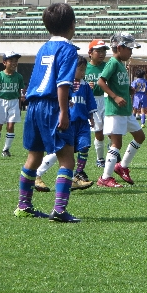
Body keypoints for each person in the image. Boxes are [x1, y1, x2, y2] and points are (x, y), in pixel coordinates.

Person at [15, 3, 79, 222]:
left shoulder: (44, 48)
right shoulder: (69, 49)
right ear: (72, 24)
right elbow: (62, 83)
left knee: (34, 156)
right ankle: (60, 211)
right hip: (52, 105)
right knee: (67, 159)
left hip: (33, 106)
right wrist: (64, 112)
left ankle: (23, 205)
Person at [34, 56, 96, 192]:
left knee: (85, 146)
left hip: (82, 123)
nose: (83, 72)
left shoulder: (85, 85)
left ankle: (77, 175)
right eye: (80, 69)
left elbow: (90, 102)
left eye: (84, 70)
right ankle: (37, 174)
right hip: (67, 122)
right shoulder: (64, 84)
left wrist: (91, 117)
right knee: (60, 151)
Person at [96, 33, 145, 188]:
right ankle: (105, 177)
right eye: (129, 49)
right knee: (116, 143)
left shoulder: (121, 64)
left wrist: (128, 90)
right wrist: (115, 97)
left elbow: (117, 83)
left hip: (125, 111)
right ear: (119, 47)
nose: (131, 52)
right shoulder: (113, 63)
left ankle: (122, 166)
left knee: (140, 136)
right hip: (115, 109)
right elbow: (101, 81)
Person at [0, 51, 25, 157]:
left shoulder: (18, 77)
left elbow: (19, 93)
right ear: (4, 62)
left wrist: (19, 105)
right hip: (0, 102)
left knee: (11, 125)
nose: (14, 63)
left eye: (16, 61)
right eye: (11, 61)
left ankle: (6, 150)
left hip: (13, 102)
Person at [85, 39, 109, 168]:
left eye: (103, 51)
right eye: (98, 51)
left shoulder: (107, 66)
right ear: (90, 52)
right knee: (98, 132)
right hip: (92, 102)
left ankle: (113, 152)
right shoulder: (84, 67)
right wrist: (85, 87)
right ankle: (100, 158)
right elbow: (76, 84)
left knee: (112, 130)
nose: (102, 54)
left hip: (106, 100)